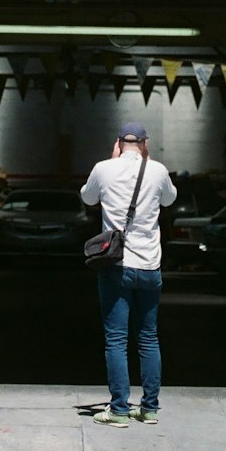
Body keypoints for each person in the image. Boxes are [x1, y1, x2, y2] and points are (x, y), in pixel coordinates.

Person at [80, 122, 177, 426]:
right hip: (150, 265)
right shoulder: (159, 171)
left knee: (116, 340)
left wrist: (112, 159)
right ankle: (149, 408)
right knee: (148, 337)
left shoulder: (103, 168)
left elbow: (87, 198)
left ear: (118, 142)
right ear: (146, 144)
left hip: (116, 266)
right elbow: (169, 200)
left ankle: (119, 410)